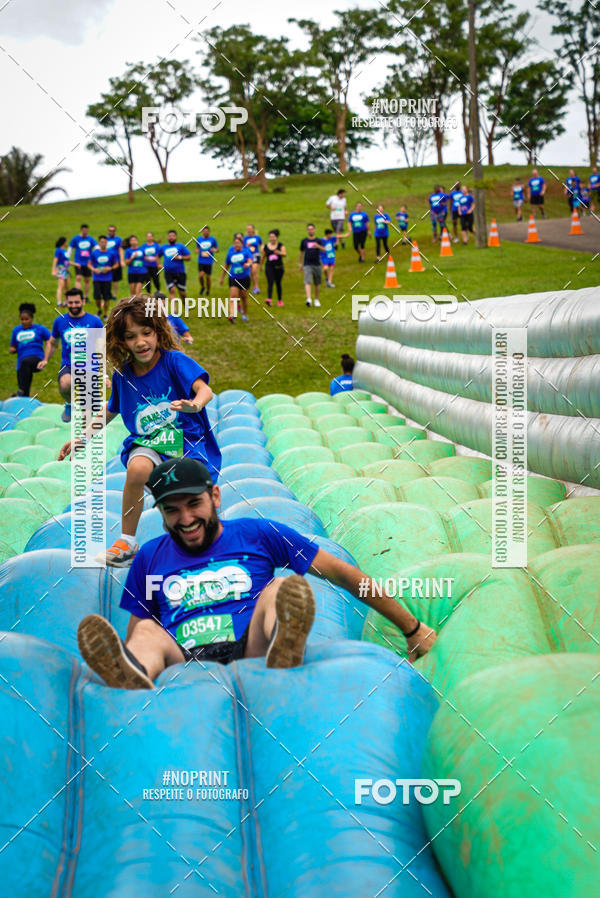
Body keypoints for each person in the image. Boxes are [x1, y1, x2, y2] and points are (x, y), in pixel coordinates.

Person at [76, 457, 437, 688]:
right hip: (183, 657)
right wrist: (137, 647)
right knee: (147, 631)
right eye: (172, 510)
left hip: (251, 644)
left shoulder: (257, 534)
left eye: (194, 504)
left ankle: (284, 646)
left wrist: (412, 627)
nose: (185, 519)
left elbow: (342, 574)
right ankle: (133, 676)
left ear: (215, 496)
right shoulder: (150, 557)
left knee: (281, 587)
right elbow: (138, 629)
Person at [58, 295, 220, 567]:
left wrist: (195, 404)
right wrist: (81, 438)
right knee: (136, 469)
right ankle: (127, 542)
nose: (141, 342)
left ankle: (211, 544)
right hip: (148, 442)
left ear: (158, 331)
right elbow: (111, 410)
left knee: (190, 502)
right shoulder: (124, 375)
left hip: (186, 444)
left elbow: (205, 389)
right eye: (131, 337)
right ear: (121, 341)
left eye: (146, 332)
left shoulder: (174, 361)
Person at [42, 288, 103, 422]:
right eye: (70, 303)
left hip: (89, 366)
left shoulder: (95, 321)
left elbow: (101, 347)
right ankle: (70, 404)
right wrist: (46, 359)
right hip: (69, 364)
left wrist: (103, 373)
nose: (74, 305)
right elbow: (52, 343)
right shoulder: (60, 321)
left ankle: (85, 436)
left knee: (89, 412)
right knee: (65, 383)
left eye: (76, 302)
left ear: (83, 301)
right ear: (66, 303)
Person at [9, 303, 51, 397]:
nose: (24, 321)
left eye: (26, 319)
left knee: (25, 363)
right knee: (23, 374)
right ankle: (24, 398)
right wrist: (12, 350)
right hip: (21, 361)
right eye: (22, 319)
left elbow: (50, 340)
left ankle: (21, 391)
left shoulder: (40, 329)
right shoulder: (16, 330)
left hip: (36, 358)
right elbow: (12, 346)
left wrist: (45, 359)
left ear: (32, 318)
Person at [220, 235, 253, 322]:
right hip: (233, 277)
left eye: (238, 243)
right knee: (233, 296)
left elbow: (250, 260)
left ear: (241, 244)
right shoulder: (230, 253)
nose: (236, 245)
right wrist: (222, 277)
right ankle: (232, 314)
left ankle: (244, 314)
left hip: (244, 278)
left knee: (244, 297)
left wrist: (248, 265)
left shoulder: (246, 251)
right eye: (235, 243)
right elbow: (226, 265)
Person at [90, 235, 119, 319]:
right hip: (97, 278)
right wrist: (94, 269)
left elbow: (117, 264)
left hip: (107, 279)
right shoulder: (94, 253)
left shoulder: (111, 253)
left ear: (107, 243)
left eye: (105, 242)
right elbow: (89, 264)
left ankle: (105, 314)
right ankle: (99, 309)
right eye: (101, 242)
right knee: (97, 297)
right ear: (99, 243)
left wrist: (110, 268)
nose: (103, 243)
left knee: (107, 298)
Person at [299, 224, 325, 308]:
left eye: (312, 229)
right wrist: (300, 264)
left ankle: (316, 299)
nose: (310, 231)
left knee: (317, 283)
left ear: (314, 230)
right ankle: (309, 299)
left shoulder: (318, 240)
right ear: (307, 231)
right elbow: (301, 253)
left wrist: (318, 246)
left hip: (317, 264)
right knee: (307, 281)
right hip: (307, 264)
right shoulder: (304, 241)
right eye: (309, 229)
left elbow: (324, 250)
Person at [69, 224, 97, 301]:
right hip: (78, 262)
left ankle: (86, 296)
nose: (85, 231)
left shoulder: (90, 239)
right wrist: (68, 257)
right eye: (84, 230)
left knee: (87, 279)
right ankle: (78, 295)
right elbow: (70, 248)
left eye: (86, 230)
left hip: (87, 262)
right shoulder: (76, 238)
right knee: (78, 277)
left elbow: (96, 247)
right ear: (81, 230)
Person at [161, 230, 191, 301]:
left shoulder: (180, 246)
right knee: (172, 290)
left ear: (176, 237)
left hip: (180, 272)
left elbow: (188, 257)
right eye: (170, 236)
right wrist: (158, 264)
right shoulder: (164, 247)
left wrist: (179, 257)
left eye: (173, 236)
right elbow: (156, 256)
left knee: (182, 293)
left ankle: (185, 304)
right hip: (168, 272)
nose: (171, 237)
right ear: (167, 237)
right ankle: (174, 311)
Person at [262, 229, 286, 306]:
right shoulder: (266, 246)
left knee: (278, 283)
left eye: (273, 237)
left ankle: (280, 301)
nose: (272, 238)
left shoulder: (280, 245)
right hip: (269, 267)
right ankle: (269, 299)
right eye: (270, 237)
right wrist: (260, 265)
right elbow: (263, 256)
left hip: (279, 267)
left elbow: (284, 254)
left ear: (276, 237)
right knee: (270, 282)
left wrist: (279, 252)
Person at [196, 226, 219, 296]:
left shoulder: (213, 239)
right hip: (201, 261)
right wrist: (198, 251)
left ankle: (208, 290)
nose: (205, 232)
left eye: (207, 231)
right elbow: (197, 248)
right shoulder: (199, 239)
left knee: (208, 277)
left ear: (209, 232)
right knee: (201, 275)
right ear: (202, 232)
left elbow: (217, 249)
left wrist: (214, 250)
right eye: (204, 231)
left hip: (209, 261)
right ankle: (203, 287)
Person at [106, 225, 124, 300]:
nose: (111, 232)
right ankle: (108, 293)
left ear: (115, 231)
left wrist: (122, 261)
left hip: (116, 261)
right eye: (110, 230)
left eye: (113, 231)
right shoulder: (105, 239)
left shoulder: (118, 239)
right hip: (107, 261)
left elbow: (121, 250)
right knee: (107, 278)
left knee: (115, 279)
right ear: (108, 231)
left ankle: (114, 295)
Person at [243, 225, 263, 295]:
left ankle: (257, 287)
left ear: (253, 230)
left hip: (256, 255)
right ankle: (254, 286)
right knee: (251, 272)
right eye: (247, 229)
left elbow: (261, 244)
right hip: (249, 257)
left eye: (250, 229)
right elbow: (243, 247)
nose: (249, 230)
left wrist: (262, 248)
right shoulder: (245, 238)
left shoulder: (257, 237)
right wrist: (247, 247)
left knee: (254, 270)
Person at [52, 237, 70, 307]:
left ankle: (66, 302)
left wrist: (75, 264)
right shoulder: (58, 250)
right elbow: (55, 260)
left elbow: (67, 261)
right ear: (63, 242)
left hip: (66, 269)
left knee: (67, 287)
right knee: (61, 286)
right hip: (60, 269)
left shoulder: (64, 251)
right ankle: (59, 302)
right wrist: (53, 270)